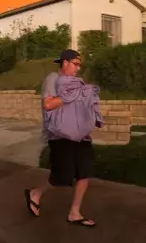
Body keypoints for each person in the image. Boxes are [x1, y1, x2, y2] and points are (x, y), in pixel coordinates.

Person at [25, 49, 97, 227]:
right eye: (76, 64)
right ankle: (35, 193)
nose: (78, 68)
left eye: (80, 64)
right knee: (61, 176)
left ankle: (75, 212)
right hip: (59, 135)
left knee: (84, 172)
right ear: (65, 63)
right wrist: (73, 95)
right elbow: (48, 104)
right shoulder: (52, 79)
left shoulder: (76, 83)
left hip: (80, 136)